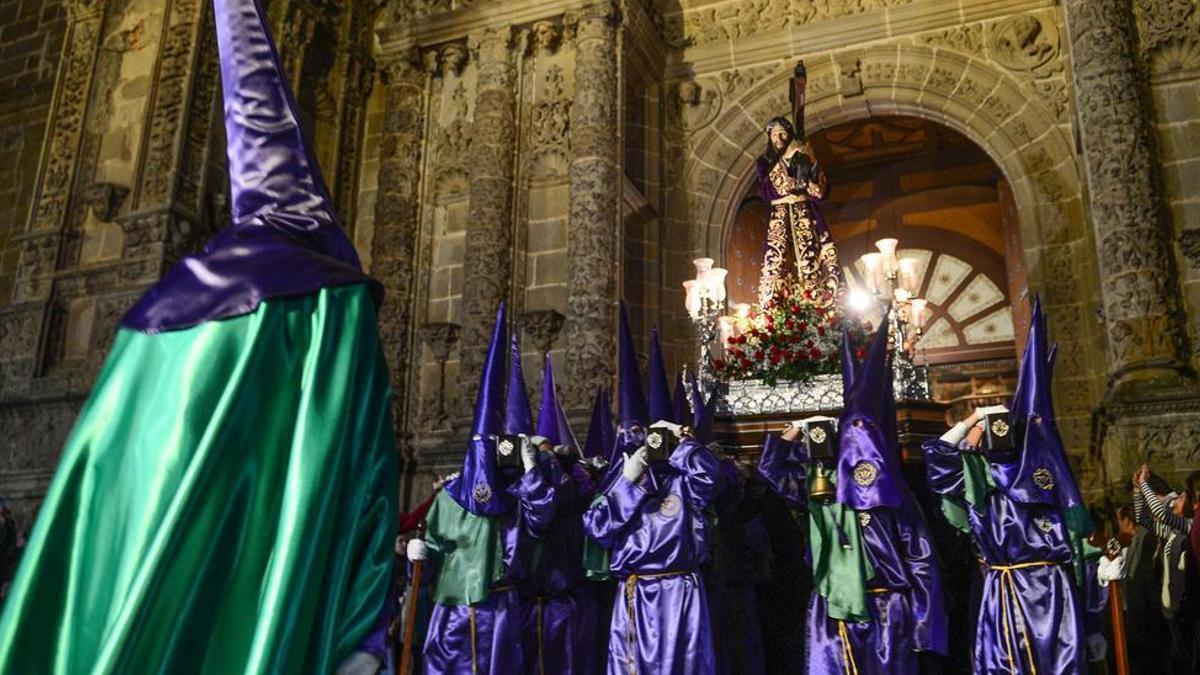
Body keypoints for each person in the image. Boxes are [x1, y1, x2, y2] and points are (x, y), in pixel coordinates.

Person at [0, 0, 398, 670]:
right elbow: (367, 493)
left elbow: (102, 495)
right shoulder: (334, 320)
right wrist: (363, 638)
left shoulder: (167, 318)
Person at [759, 317, 947, 674]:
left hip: (889, 611)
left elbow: (922, 561)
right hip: (834, 611)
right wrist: (794, 432)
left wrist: (925, 627)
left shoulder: (898, 498)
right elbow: (772, 473)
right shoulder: (823, 488)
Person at [924, 299, 1103, 674]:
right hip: (1005, 592)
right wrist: (973, 418)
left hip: (1054, 593)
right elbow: (937, 455)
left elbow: (1079, 549)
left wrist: (1093, 621)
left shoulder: (1049, 482)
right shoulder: (981, 476)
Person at [407, 305, 557, 675]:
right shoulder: (450, 497)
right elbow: (436, 549)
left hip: (501, 610)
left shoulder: (520, 497)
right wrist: (417, 556)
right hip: (453, 611)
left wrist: (531, 467)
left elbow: (543, 517)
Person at [582, 417, 722, 675]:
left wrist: (684, 443)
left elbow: (711, 477)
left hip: (680, 589)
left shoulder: (684, 484)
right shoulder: (622, 480)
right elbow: (597, 527)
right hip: (636, 592)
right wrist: (628, 481)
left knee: (684, 663)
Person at [516, 352, 601, 675]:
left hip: (562, 599)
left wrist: (556, 461)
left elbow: (563, 500)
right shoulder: (523, 489)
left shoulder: (570, 486)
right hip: (526, 602)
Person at [1132, 465, 1199, 673]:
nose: (1175, 501)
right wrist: (1136, 492)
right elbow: (1143, 519)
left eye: (1180, 498)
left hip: (1187, 609)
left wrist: (1144, 483)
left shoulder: (1188, 526)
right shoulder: (1172, 533)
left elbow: (1160, 513)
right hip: (1171, 611)